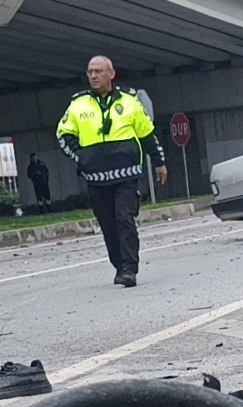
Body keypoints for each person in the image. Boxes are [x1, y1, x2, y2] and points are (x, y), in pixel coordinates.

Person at [57, 55, 169, 287]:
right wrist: (82, 159)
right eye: (90, 72)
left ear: (111, 74)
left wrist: (160, 162)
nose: (94, 76)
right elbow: (63, 135)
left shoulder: (129, 101)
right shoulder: (78, 104)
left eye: (98, 71)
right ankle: (118, 265)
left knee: (124, 218)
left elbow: (147, 134)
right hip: (96, 178)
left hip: (126, 174)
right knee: (108, 224)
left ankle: (130, 268)